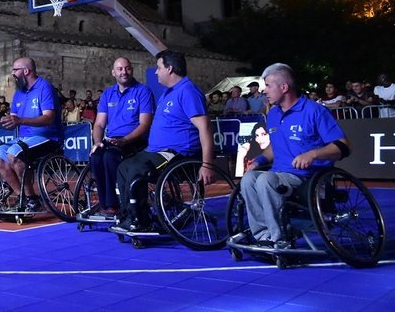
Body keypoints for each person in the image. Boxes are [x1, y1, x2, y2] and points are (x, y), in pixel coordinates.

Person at [234, 63, 350, 248]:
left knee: (266, 180)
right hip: (280, 175)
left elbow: (343, 146)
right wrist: (259, 161)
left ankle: (280, 238)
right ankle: (263, 236)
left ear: (284, 87)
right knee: (249, 179)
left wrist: (312, 154)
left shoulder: (314, 111)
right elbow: (276, 146)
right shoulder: (273, 114)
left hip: (308, 178)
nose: (265, 91)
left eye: (268, 86)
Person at [113, 50, 216, 233]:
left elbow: (205, 128)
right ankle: (130, 215)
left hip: (178, 153)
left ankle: (140, 221)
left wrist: (207, 164)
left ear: (169, 69)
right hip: (156, 151)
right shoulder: (167, 93)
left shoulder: (187, 91)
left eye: (158, 67)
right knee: (123, 167)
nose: (155, 72)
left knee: (137, 171)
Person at [0, 57, 62, 212]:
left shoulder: (45, 88)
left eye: (15, 70)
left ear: (26, 71)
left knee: (14, 153)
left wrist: (21, 120)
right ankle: (22, 197)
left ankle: (32, 198)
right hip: (24, 139)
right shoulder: (18, 93)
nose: (12, 74)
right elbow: (12, 124)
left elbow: (49, 118)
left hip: (47, 137)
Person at [90, 57, 155, 216]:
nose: (124, 72)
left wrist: (124, 140)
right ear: (113, 72)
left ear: (132, 70)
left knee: (110, 156)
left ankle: (116, 204)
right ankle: (105, 204)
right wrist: (97, 142)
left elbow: (145, 124)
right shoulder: (107, 94)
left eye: (127, 68)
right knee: (96, 156)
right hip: (112, 140)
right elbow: (98, 125)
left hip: (134, 140)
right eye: (120, 69)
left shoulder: (142, 91)